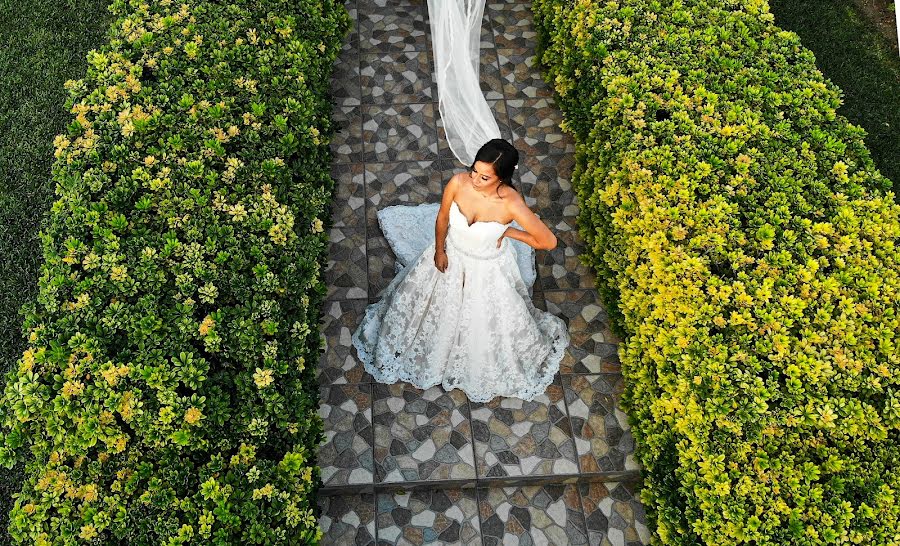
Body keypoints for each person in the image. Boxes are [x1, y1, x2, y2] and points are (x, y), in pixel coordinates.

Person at [351, 138, 570, 403]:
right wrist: (440, 250)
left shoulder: (511, 203)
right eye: (474, 171)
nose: (476, 179)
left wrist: (509, 231)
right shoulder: (458, 182)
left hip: (486, 269)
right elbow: (443, 217)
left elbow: (548, 241)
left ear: (502, 178)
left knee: (481, 319)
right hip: (451, 254)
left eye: (485, 177)